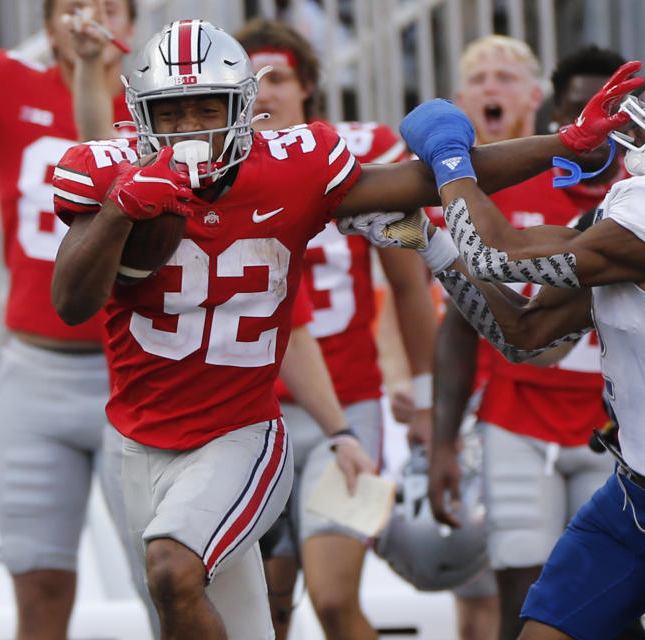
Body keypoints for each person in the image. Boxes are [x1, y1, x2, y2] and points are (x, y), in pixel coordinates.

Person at [49, 18, 640, 638]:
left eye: (208, 108)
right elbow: (71, 302)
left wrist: (563, 144)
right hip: (138, 441)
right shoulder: (106, 169)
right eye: (172, 113)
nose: (193, 129)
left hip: (239, 434)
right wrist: (121, 206)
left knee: (173, 570)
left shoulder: (292, 166)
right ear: (140, 115)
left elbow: (426, 181)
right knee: (213, 613)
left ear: (243, 106)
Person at [393, 57, 645, 640]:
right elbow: (526, 335)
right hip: (631, 495)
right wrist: (431, 244)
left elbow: (494, 253)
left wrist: (448, 153)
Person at [0, 2, 150, 639]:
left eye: (112, 7)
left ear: (132, 26)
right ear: (48, 27)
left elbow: (106, 157)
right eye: (79, 5)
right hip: (34, 370)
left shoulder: (160, 106)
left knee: (164, 581)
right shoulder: (8, 83)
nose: (95, 18)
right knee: (39, 585)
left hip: (133, 369)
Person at [232, 19, 438, 640]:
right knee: (266, 608)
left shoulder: (356, 150)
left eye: (279, 77)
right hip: (245, 412)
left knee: (330, 596)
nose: (264, 92)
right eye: (251, 80)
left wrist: (426, 397)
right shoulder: (217, 160)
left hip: (348, 405)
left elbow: (408, 285)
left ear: (310, 84)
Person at [430, 38, 634, 640]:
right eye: (586, 119)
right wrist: (443, 442)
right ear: (562, 121)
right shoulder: (507, 188)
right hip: (518, 416)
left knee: (617, 600)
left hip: (624, 426)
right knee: (524, 595)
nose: (601, 139)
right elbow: (461, 323)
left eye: (616, 125)